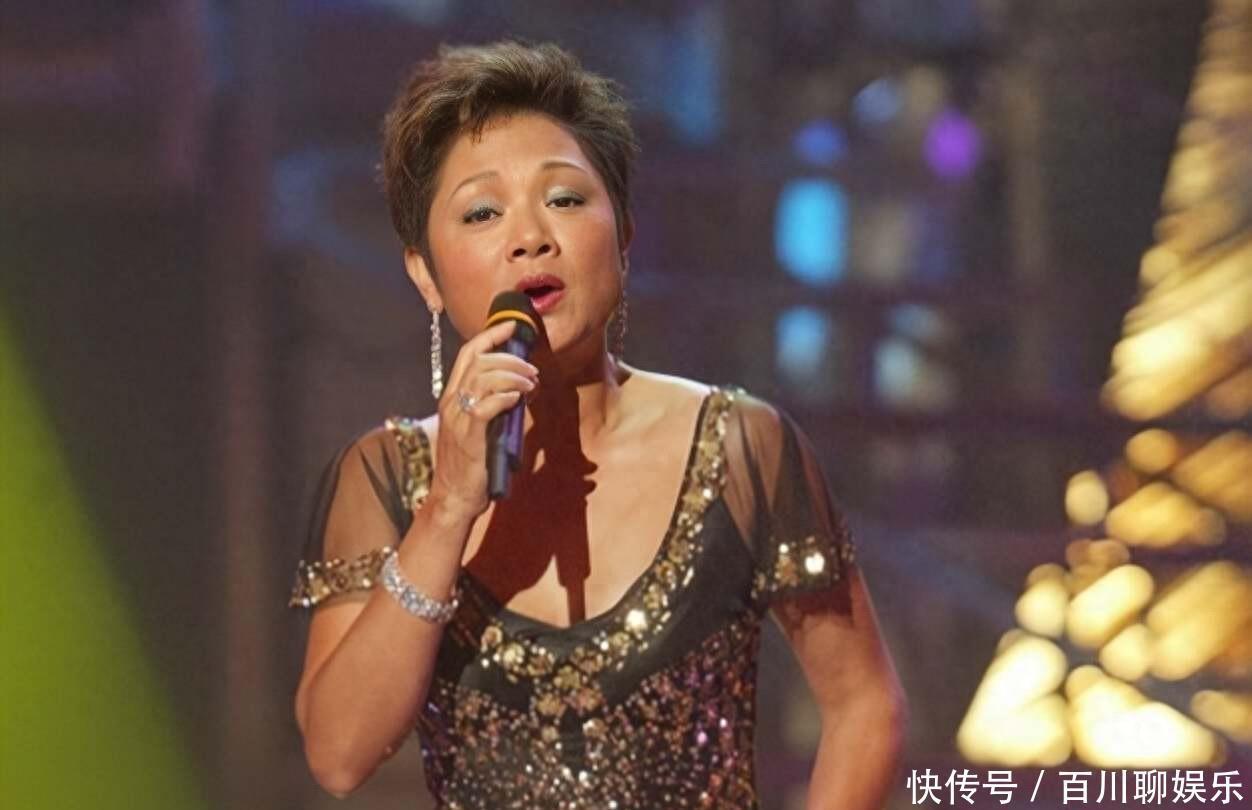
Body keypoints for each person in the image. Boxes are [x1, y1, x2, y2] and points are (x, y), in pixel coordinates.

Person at [290, 40, 905, 809]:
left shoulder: (740, 447)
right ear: (425, 273)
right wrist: (447, 508)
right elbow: (339, 755)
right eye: (482, 212)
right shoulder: (384, 475)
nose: (530, 237)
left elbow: (864, 705)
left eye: (566, 199)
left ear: (624, 233)